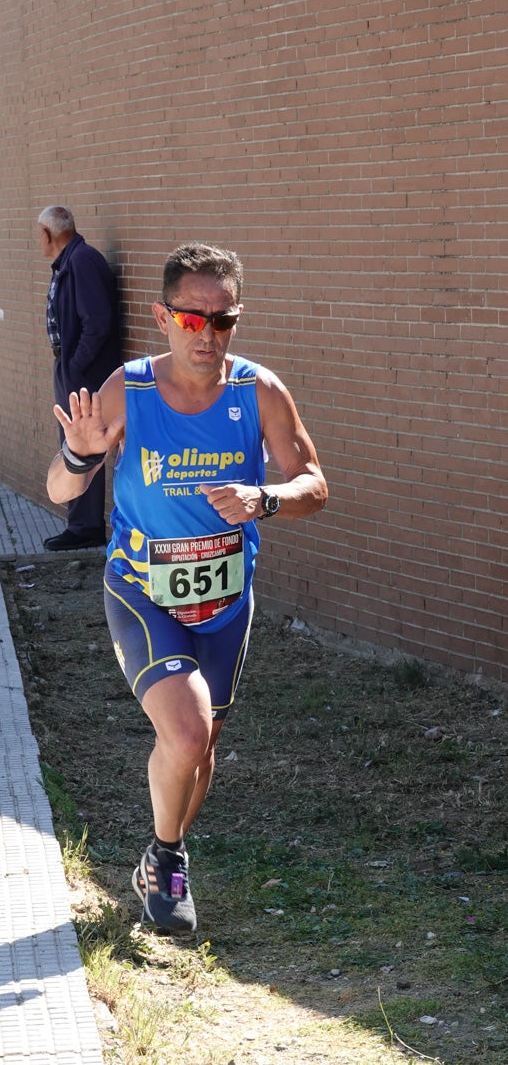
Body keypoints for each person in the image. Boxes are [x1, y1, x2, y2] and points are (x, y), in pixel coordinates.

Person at [47, 242, 328, 934]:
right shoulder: (128, 389)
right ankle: (168, 859)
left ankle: (161, 854)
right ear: (162, 317)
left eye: (222, 319)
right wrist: (80, 453)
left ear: (237, 318)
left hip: (225, 597)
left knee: (200, 747)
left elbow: (314, 486)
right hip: (142, 590)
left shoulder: (257, 391)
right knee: (185, 728)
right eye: (192, 319)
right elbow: (59, 489)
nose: (207, 333)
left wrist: (263, 497)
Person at [37, 205, 121, 551]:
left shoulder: (82, 261)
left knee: (81, 444)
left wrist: (75, 365)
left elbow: (97, 321)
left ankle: (85, 526)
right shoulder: (70, 262)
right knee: (74, 443)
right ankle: (80, 522)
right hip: (74, 369)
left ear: (46, 235)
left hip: (84, 374)